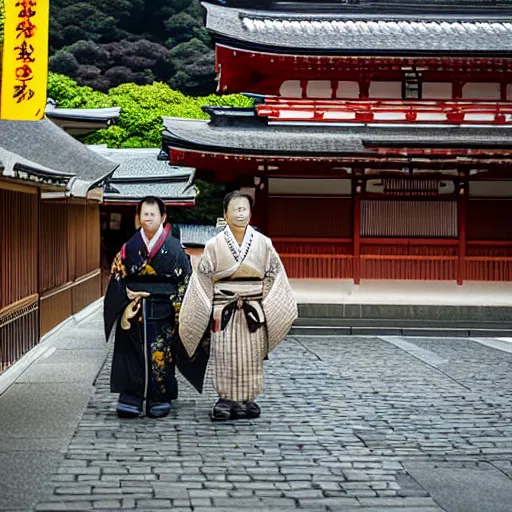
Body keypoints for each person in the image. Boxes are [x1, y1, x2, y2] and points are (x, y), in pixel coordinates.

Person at [179, 190, 298, 421]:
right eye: (235, 209)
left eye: (244, 209)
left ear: (251, 213)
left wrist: (267, 303)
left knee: (252, 356)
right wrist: (197, 313)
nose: (240, 213)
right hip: (223, 309)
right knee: (224, 354)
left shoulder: (264, 244)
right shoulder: (214, 245)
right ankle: (226, 399)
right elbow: (202, 280)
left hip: (253, 309)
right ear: (225, 213)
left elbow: (275, 276)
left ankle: (247, 398)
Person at [104, 196, 191, 418]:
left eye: (153, 214)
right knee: (131, 352)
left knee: (160, 354)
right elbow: (117, 277)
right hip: (133, 310)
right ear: (139, 217)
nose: (149, 218)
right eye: (145, 213)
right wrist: (124, 301)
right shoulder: (128, 249)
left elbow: (184, 282)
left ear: (163, 217)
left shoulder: (175, 249)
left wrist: (178, 311)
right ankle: (131, 395)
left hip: (163, 310)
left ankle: (159, 397)